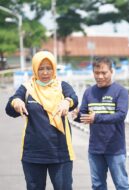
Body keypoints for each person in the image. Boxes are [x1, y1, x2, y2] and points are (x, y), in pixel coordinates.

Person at [5, 51, 78, 190]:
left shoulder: (62, 86)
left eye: (48, 68)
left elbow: (74, 98)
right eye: (41, 68)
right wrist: (16, 102)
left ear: (54, 69)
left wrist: (67, 102)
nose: (45, 72)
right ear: (35, 69)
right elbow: (10, 108)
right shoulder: (27, 88)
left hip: (61, 153)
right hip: (33, 154)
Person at [74, 56, 129, 190]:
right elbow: (84, 115)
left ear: (112, 71)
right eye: (96, 73)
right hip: (95, 149)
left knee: (122, 185)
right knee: (98, 185)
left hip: (115, 148)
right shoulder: (89, 92)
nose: (99, 76)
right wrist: (76, 115)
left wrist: (96, 118)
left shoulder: (120, 91)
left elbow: (121, 115)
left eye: (103, 73)